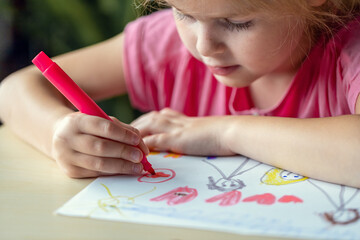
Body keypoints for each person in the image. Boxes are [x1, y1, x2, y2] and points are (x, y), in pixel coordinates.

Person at [0, 0, 359, 188]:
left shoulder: (349, 50)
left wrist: (224, 131)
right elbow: (15, 90)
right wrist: (57, 133)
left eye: (237, 23)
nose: (205, 47)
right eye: (183, 13)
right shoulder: (167, 45)